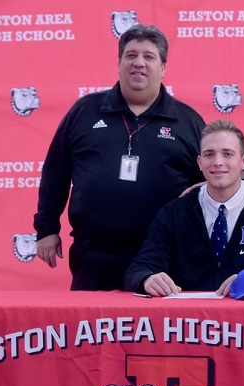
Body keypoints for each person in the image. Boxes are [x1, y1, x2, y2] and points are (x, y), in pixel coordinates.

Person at [33, 24, 205, 291]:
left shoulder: (188, 121)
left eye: (149, 56)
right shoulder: (84, 111)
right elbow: (56, 172)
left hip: (164, 255)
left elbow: (209, 185)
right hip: (94, 255)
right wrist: (46, 229)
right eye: (131, 55)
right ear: (119, 63)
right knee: (92, 330)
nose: (139, 63)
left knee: (158, 333)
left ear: (163, 68)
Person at [124, 120, 244, 297]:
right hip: (191, 320)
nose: (218, 162)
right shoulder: (174, 213)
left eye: (227, 154)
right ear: (200, 162)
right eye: (209, 154)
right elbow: (139, 268)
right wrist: (147, 279)